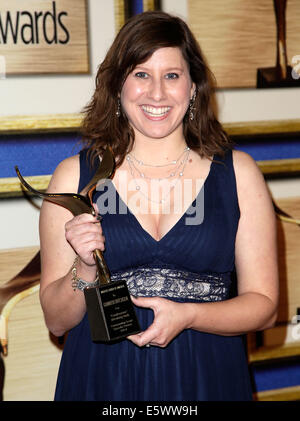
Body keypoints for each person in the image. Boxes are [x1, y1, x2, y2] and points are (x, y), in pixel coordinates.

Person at [39, 11, 278, 401]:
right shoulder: (74, 178)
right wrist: (82, 267)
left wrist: (190, 315)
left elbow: (264, 306)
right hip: (102, 382)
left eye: (171, 75)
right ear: (118, 85)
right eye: (141, 74)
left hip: (209, 379)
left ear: (194, 86)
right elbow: (56, 320)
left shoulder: (239, 174)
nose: (157, 93)